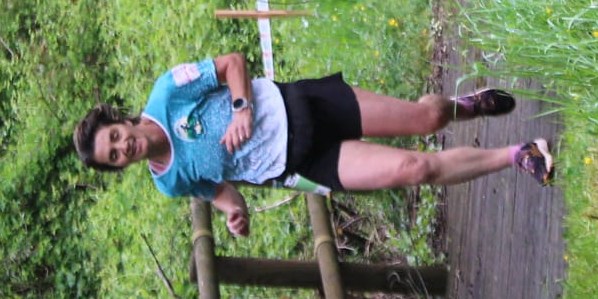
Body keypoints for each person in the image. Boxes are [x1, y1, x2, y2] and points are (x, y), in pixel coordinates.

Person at [71, 52, 553, 232]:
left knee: (427, 119)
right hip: (302, 163)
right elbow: (218, 189)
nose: (123, 147)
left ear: (121, 122)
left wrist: (241, 108)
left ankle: (462, 106)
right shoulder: (169, 181)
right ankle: (517, 155)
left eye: (116, 137)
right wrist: (234, 212)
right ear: (119, 167)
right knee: (415, 170)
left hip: (300, 106)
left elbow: (232, 64)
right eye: (114, 156)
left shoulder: (167, 92)